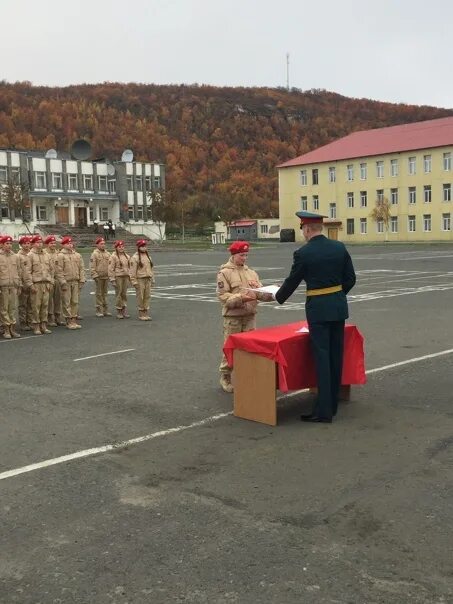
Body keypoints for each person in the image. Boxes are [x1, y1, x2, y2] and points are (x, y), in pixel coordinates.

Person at [274, 211, 356, 423]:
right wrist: (336, 296)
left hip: (318, 310)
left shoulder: (304, 253)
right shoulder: (339, 247)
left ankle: (323, 411)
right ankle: (332, 406)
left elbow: (292, 281)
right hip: (337, 308)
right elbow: (350, 278)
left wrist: (276, 296)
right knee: (335, 356)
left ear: (308, 229)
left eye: (302, 229)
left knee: (322, 357)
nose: (303, 233)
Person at [216, 240, 273, 393]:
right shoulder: (224, 273)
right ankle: (225, 376)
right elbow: (223, 297)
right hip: (233, 318)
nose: (245, 258)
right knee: (231, 348)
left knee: (250, 348)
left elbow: (260, 292)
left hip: (250, 316)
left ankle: (247, 375)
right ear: (234, 255)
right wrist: (242, 298)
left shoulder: (251, 272)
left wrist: (273, 294)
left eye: (246, 255)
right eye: (242, 255)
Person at [55, 236, 86, 330]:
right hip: (67, 282)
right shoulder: (60, 256)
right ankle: (68, 320)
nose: (70, 245)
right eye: (67, 243)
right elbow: (58, 270)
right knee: (67, 302)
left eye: (71, 243)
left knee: (75, 301)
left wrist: (82, 280)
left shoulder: (77, 255)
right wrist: (63, 282)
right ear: (63, 245)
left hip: (75, 281)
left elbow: (81, 268)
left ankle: (74, 319)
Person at [28, 234, 54, 335]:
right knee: (36, 306)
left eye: (40, 242)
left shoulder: (46, 255)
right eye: (37, 242)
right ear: (33, 244)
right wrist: (30, 284)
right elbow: (27, 271)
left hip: (46, 283)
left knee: (45, 305)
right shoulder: (30, 255)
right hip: (36, 284)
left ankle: (44, 325)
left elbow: (51, 270)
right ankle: (36, 326)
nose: (40, 244)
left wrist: (51, 281)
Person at [0, 235, 22, 339]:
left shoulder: (15, 256)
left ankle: (12, 329)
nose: (9, 245)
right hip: (3, 286)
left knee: (12, 308)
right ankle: (6, 329)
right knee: (4, 308)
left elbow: (19, 271)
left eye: (10, 243)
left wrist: (19, 285)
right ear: (2, 245)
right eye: (7, 244)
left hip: (13, 286)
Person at [130, 239, 154, 321]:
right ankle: (141, 313)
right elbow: (132, 271)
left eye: (145, 246)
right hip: (140, 279)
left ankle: (146, 312)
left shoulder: (148, 257)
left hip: (148, 278)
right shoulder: (135, 257)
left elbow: (151, 269)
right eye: (142, 246)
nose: (144, 248)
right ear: (139, 247)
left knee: (147, 296)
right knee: (140, 297)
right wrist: (134, 281)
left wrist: (152, 279)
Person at [43, 235, 64, 326]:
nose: (53, 244)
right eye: (51, 243)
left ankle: (58, 317)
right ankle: (50, 318)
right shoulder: (43, 253)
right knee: (49, 301)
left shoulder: (57, 253)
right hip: (48, 280)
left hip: (57, 279)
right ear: (47, 244)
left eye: (54, 243)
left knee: (58, 299)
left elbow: (59, 268)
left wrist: (61, 280)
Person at [108, 240, 131, 319]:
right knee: (119, 294)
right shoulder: (113, 256)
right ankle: (119, 311)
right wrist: (112, 279)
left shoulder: (127, 256)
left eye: (122, 246)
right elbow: (111, 269)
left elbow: (129, 268)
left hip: (126, 277)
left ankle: (124, 310)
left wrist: (130, 277)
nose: (121, 248)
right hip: (118, 277)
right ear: (116, 248)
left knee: (124, 294)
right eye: (119, 247)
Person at [90, 236, 111, 317]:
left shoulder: (108, 253)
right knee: (99, 294)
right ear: (97, 245)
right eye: (101, 244)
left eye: (104, 244)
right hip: (98, 277)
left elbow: (110, 265)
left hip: (106, 277)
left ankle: (105, 310)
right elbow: (92, 266)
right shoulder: (94, 254)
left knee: (105, 294)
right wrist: (95, 276)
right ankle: (99, 310)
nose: (103, 245)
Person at [16, 235, 33, 330]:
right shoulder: (18, 256)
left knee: (31, 304)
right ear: (21, 245)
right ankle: (23, 322)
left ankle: (30, 321)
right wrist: (20, 284)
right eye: (25, 243)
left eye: (28, 243)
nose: (27, 245)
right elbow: (18, 271)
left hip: (31, 283)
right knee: (22, 304)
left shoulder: (31, 255)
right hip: (23, 284)